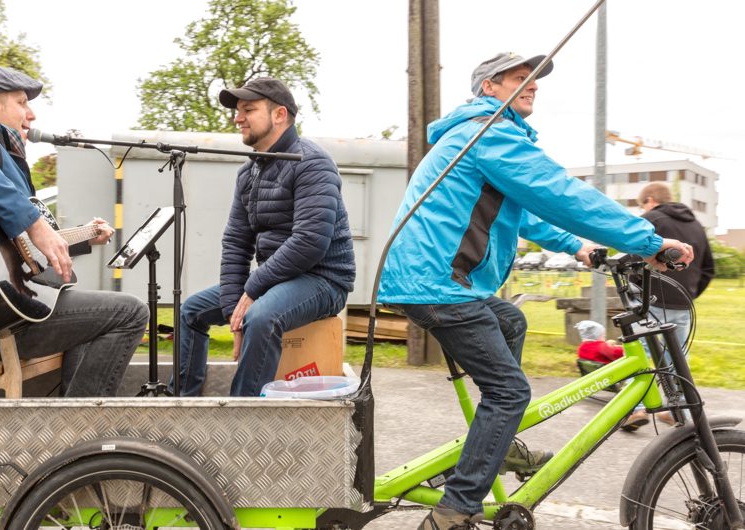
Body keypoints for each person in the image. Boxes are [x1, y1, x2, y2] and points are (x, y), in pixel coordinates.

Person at [376, 52, 693, 530]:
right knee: (509, 392)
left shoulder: (479, 137)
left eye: (534, 80)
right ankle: (454, 512)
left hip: (434, 280)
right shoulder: (487, 132)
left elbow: (527, 212)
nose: (533, 86)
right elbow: (558, 192)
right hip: (439, 283)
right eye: (519, 78)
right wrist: (646, 241)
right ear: (488, 87)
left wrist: (578, 247)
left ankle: (500, 442)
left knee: (512, 320)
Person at [0, 64, 149, 397]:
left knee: (101, 315)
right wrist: (34, 224)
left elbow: (10, 246)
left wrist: (82, 236)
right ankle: (82, 429)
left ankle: (73, 424)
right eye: (21, 102)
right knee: (131, 313)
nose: (30, 114)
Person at [173, 77, 355, 397]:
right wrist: (233, 313)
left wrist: (253, 292)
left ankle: (243, 415)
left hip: (323, 279)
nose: (237, 117)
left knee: (262, 317)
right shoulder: (249, 172)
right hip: (276, 280)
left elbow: (310, 241)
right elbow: (235, 243)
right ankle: (183, 403)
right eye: (237, 111)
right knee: (190, 311)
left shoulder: (312, 162)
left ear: (279, 115)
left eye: (248, 110)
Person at [621, 181, 715, 430]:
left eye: (643, 204)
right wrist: (689, 293)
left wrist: (635, 287)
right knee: (677, 355)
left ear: (650, 200)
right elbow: (708, 268)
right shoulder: (696, 225)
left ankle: (637, 409)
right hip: (682, 303)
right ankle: (677, 407)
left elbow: (631, 256)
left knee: (641, 352)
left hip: (648, 298)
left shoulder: (651, 218)